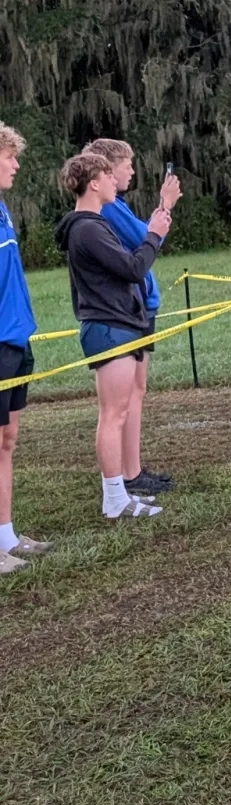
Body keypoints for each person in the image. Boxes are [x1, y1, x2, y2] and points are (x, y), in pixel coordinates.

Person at [54, 153, 171, 517]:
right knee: (113, 415)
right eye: (107, 174)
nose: (113, 181)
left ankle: (120, 492)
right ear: (94, 183)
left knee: (118, 412)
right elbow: (134, 268)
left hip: (119, 324)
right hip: (108, 328)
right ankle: (115, 499)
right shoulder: (87, 227)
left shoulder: (94, 224)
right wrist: (154, 234)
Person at [84, 138, 182, 494]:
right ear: (107, 170)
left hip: (139, 307)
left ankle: (133, 469)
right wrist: (165, 205)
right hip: (122, 312)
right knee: (123, 401)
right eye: (127, 165)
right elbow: (148, 237)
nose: (132, 171)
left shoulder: (116, 205)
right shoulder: (108, 208)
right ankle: (126, 475)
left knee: (137, 392)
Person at [0, 121, 52, 573]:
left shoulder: (2, 209)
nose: (16, 164)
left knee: (7, 440)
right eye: (9, 156)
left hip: (16, 340)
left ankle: (6, 536)